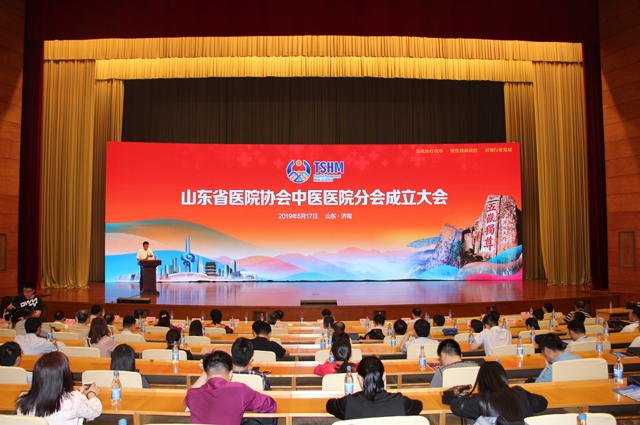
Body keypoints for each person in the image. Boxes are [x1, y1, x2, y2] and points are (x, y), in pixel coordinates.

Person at [184, 351, 277, 425]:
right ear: (230, 374)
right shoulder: (240, 390)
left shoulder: (192, 395)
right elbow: (270, 406)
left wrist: (204, 373)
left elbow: (190, 393)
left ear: (205, 375)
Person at [16, 351, 102, 425]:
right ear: (64, 375)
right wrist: (91, 393)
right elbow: (96, 410)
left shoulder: (22, 400)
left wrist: (78, 393)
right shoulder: (74, 400)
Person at [326, 356, 423, 420]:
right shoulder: (400, 401)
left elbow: (330, 405)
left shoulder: (348, 403)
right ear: (384, 376)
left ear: (359, 378)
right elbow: (418, 405)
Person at [451, 361, 547, 422]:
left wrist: (466, 394)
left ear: (481, 380)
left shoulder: (481, 399)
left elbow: (455, 405)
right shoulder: (520, 393)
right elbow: (543, 403)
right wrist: (528, 397)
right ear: (503, 377)